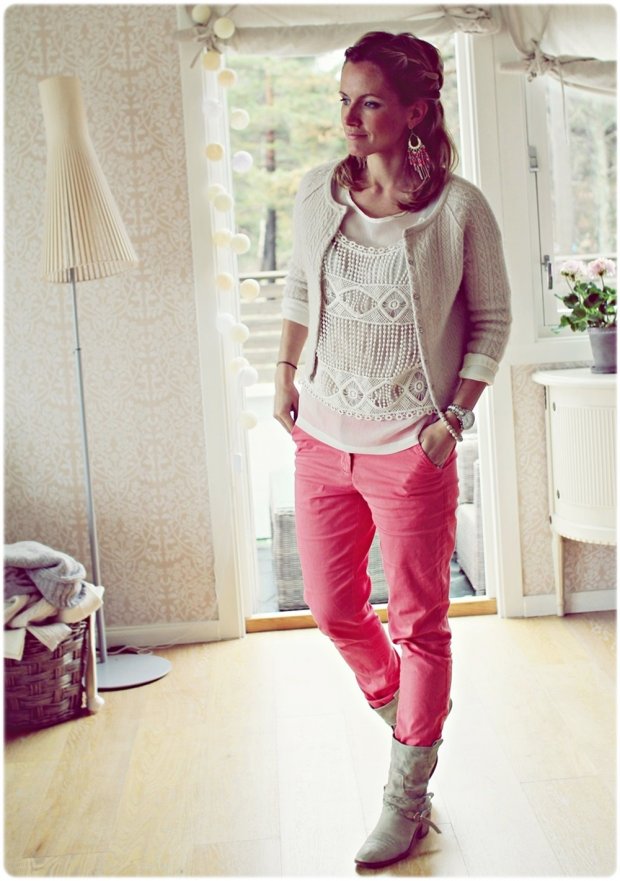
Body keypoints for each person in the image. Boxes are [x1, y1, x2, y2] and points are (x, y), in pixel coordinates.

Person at [273, 30, 511, 869]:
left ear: (414, 111)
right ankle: (411, 727)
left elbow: (492, 321)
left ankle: (405, 795)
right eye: (343, 99)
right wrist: (282, 372)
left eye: (368, 101)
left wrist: (454, 418)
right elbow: (297, 286)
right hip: (320, 438)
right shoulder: (317, 191)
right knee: (333, 605)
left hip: (413, 448)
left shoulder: (459, 209)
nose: (349, 118)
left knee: (420, 624)